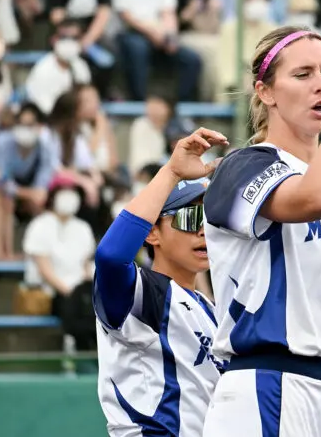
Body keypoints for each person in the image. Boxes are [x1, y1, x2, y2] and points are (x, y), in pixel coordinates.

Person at [201, 10, 321, 437]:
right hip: (264, 385)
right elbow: (316, 198)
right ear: (264, 91)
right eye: (302, 74)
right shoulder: (242, 167)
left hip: (316, 391)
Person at [93, 127, 228, 436]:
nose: (203, 230)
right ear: (152, 232)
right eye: (190, 218)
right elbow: (111, 257)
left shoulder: (212, 310)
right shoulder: (143, 293)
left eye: (208, 219)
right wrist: (171, 172)